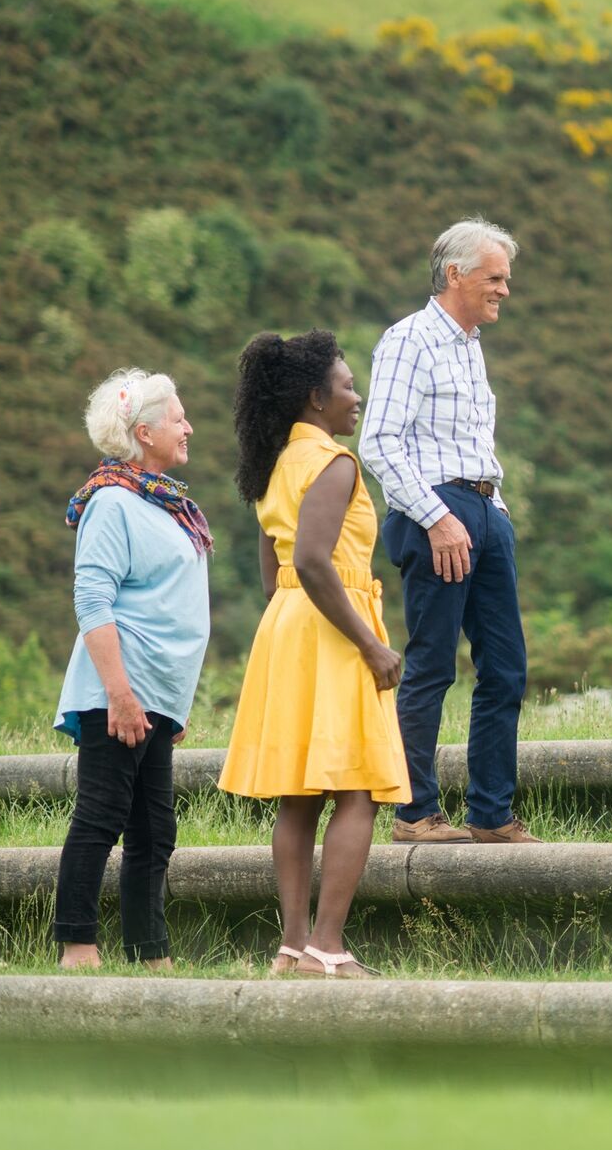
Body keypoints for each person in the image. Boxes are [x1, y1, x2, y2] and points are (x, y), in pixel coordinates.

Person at [220, 331, 412, 978]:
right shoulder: (334, 463)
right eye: (347, 386)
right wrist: (370, 643)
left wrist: (302, 621)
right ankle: (328, 947)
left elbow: (276, 577)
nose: (357, 396)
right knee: (359, 789)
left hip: (290, 627)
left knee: (299, 797)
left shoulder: (274, 467)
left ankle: (293, 946)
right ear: (315, 397)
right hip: (336, 628)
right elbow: (311, 559)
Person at [360, 217, 539, 844]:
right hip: (436, 511)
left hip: (485, 510)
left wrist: (497, 512)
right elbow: (379, 442)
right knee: (433, 664)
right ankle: (414, 813)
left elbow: (470, 442)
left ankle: (491, 815)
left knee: (507, 668)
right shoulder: (408, 339)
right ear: (455, 274)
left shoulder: (469, 345)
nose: (505, 290)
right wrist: (438, 518)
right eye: (495, 278)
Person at [52, 369, 211, 971]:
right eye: (178, 419)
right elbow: (93, 602)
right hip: (119, 690)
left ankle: (151, 955)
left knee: (154, 830)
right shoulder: (112, 502)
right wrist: (120, 694)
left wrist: (172, 701)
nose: (188, 427)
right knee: (101, 815)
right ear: (145, 432)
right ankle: (77, 947)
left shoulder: (164, 504)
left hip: (156, 694)